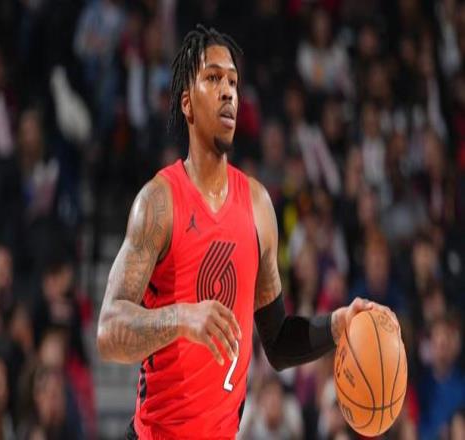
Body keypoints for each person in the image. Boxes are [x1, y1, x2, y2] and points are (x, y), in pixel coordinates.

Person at [96, 24, 397, 440]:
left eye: (233, 82)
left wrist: (338, 323)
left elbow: (278, 342)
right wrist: (182, 317)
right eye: (213, 78)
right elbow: (108, 331)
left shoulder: (257, 205)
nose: (228, 92)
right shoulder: (158, 202)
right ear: (187, 103)